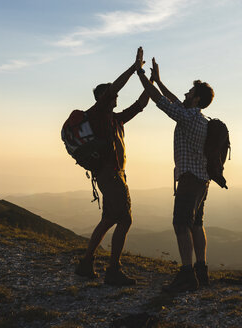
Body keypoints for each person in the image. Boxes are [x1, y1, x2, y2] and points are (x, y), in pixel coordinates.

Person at [137, 53, 215, 292]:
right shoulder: (200, 118)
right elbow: (174, 101)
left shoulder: (188, 117)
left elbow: (160, 101)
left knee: (180, 224)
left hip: (189, 179)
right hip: (203, 180)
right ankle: (201, 271)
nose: (185, 95)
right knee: (196, 223)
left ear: (197, 98)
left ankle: (186, 274)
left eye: (189, 93)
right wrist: (158, 80)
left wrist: (141, 76)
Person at [75, 47, 150, 286]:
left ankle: (86, 263)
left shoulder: (114, 119)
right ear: (102, 97)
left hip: (113, 175)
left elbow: (139, 105)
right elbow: (116, 87)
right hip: (110, 175)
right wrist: (134, 67)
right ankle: (113, 271)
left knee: (109, 219)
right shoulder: (98, 114)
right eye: (112, 96)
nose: (116, 98)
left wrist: (150, 81)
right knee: (124, 220)